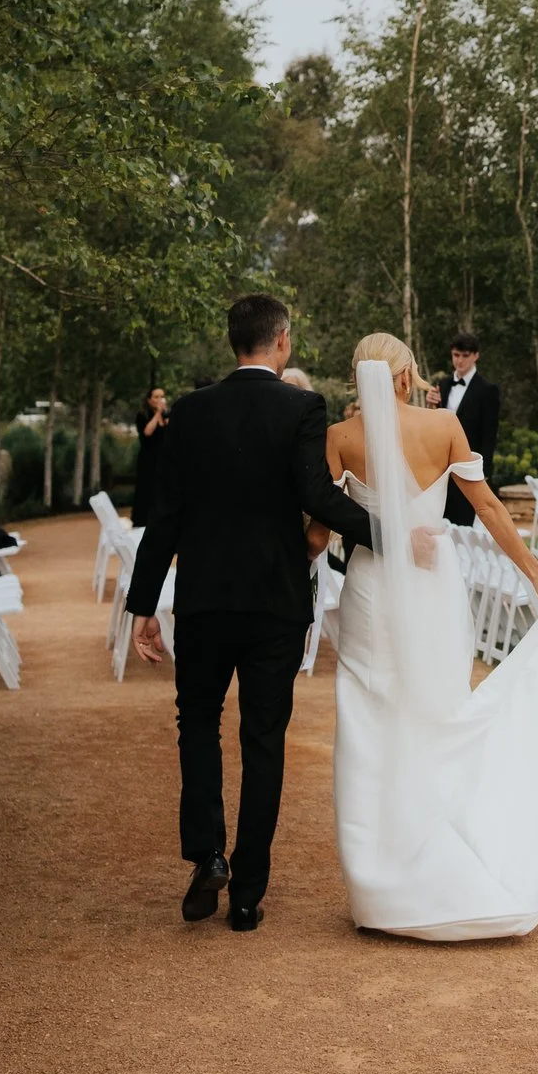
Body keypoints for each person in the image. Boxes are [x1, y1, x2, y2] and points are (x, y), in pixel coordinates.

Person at [316, 331, 538, 939]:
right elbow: (488, 508)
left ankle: (378, 881)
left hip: (373, 590)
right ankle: (442, 854)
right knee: (438, 706)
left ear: (360, 378)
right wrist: (537, 578)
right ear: (406, 375)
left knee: (372, 716)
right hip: (434, 589)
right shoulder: (444, 426)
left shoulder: (340, 439)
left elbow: (323, 528)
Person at [126, 295, 380, 931]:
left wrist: (143, 605)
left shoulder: (190, 412)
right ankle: (246, 894)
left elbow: (166, 517)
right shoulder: (301, 407)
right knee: (263, 741)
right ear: (283, 341)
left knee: (198, 725)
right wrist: (391, 531)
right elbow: (316, 495)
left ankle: (208, 854)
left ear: (232, 341)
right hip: (275, 603)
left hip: (206, 600)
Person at [439, 333, 500, 526]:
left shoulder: (487, 390)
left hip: (468, 464)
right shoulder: (442, 385)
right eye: (456, 355)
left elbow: (489, 434)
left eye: (465, 355)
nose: (459, 360)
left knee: (464, 523)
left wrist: (485, 470)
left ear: (475, 356)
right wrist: (430, 407)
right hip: (440, 467)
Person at [134, 386, 172, 524]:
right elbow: (147, 432)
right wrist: (157, 414)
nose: (159, 400)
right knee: (147, 489)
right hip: (148, 458)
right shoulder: (143, 415)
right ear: (149, 400)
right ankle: (142, 520)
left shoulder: (167, 416)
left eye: (162, 396)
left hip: (163, 459)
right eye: (156, 397)